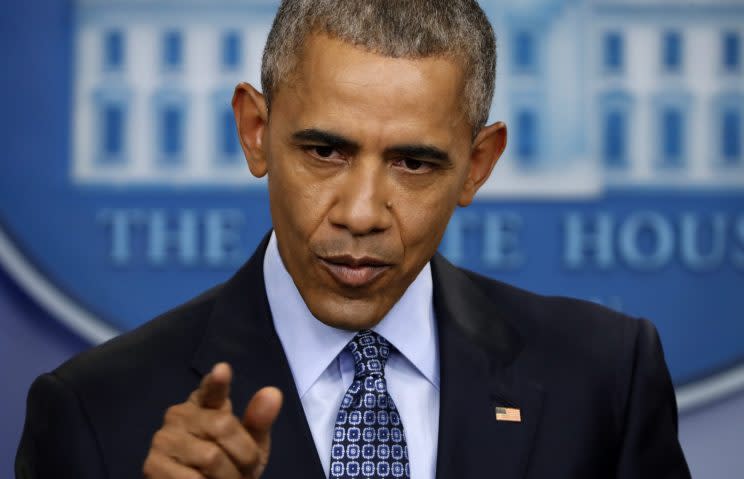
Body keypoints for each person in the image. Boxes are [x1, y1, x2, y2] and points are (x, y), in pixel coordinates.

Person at [16, 0, 691, 478]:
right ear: (256, 131)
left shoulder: (605, 377)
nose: (362, 212)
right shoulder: (95, 413)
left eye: (414, 163)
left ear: (478, 165)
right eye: (324, 151)